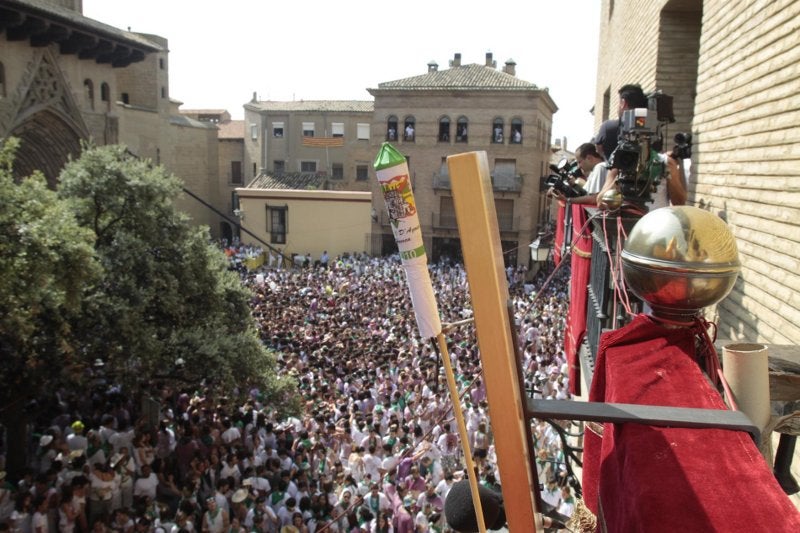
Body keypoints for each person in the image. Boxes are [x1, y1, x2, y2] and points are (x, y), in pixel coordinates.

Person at [593, 84, 648, 161]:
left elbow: (598, 148)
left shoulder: (608, 127)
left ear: (623, 103)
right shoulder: (653, 128)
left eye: (619, 103)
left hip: (615, 168)